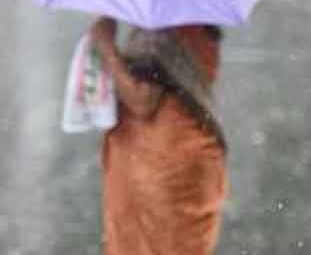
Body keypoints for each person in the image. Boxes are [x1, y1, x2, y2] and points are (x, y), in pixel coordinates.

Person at [90, 17, 228, 255]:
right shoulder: (201, 29)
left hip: (157, 165)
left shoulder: (159, 30)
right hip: (197, 160)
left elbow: (142, 100)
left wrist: (105, 44)